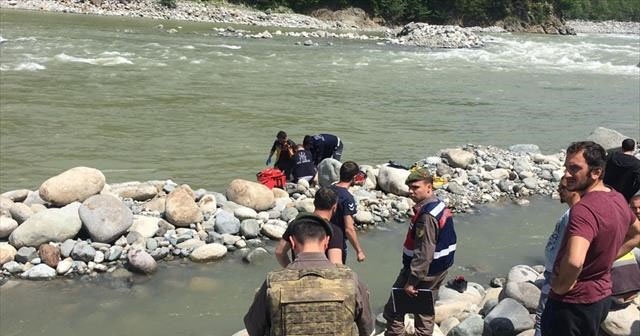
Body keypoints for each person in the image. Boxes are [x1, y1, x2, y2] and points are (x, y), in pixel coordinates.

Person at [541, 141, 638, 336]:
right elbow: (636, 234)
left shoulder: (583, 210)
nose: (567, 174)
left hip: (571, 304)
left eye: (575, 168)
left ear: (596, 173)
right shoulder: (617, 197)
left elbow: (575, 261)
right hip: (600, 297)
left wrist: (560, 287)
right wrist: (606, 258)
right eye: (567, 167)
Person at [243, 214, 374, 336]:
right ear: (326, 241)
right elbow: (367, 328)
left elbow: (254, 329)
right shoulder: (350, 280)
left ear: (292, 242)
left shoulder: (273, 282)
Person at [383, 167, 456, 336]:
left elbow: (424, 252)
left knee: (394, 309)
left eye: (415, 187)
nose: (411, 191)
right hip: (438, 269)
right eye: (409, 187)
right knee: (424, 311)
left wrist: (412, 281)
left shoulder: (427, 217)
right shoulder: (438, 205)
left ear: (429, 187)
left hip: (423, 272)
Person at [533, 177, 580, 336]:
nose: (559, 190)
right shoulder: (571, 212)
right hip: (554, 269)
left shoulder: (574, 214)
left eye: (563, 187)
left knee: (543, 316)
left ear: (574, 191)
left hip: (556, 272)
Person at [275, 187, 343, 267]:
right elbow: (335, 263)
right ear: (334, 207)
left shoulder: (296, 224)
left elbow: (279, 252)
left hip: (299, 275)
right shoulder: (333, 230)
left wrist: (290, 270)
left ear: (314, 203)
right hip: (324, 277)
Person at [331, 161, 366, 264]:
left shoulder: (326, 189)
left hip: (321, 239)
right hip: (338, 243)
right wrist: (359, 251)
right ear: (354, 177)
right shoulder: (347, 198)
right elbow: (349, 229)